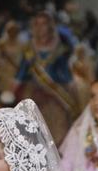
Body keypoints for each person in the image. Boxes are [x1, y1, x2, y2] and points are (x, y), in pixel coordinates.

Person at [13, 11, 79, 145]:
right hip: (34, 91)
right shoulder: (28, 47)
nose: (40, 27)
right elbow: (22, 70)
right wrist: (15, 85)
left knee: (60, 121)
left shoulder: (61, 47)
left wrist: (69, 86)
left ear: (50, 26)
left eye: (43, 24)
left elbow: (64, 70)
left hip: (57, 90)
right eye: (37, 24)